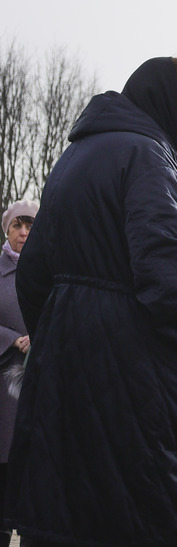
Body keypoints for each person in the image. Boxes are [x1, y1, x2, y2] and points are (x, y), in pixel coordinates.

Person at [6, 58, 177, 547]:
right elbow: (170, 279)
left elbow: (33, 271)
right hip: (135, 382)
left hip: (67, 375)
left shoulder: (75, 157)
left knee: (72, 520)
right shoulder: (147, 157)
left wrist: (62, 334)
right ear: (166, 103)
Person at [0, 199, 38, 547]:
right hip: (4, 387)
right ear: (7, 230)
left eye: (29, 225)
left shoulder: (48, 268)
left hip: (41, 383)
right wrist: (13, 340)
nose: (24, 233)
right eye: (17, 226)